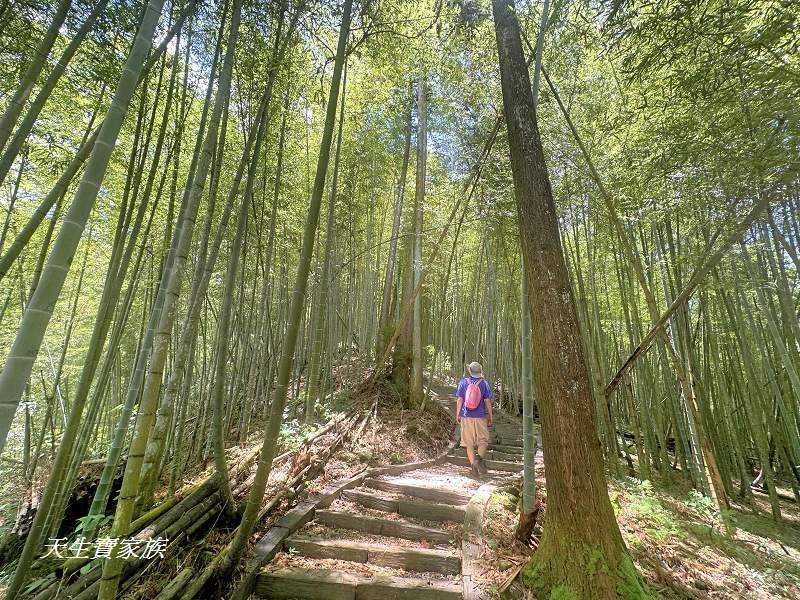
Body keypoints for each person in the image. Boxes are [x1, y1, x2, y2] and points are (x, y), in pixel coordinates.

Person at [456, 361, 493, 477]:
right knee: (483, 441)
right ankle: (479, 459)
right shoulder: (484, 383)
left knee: (469, 443)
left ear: (470, 371)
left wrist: (458, 414)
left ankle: (474, 467)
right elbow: (487, 401)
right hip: (480, 416)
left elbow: (460, 400)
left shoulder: (463, 382)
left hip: (466, 416)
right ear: (480, 372)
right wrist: (490, 415)